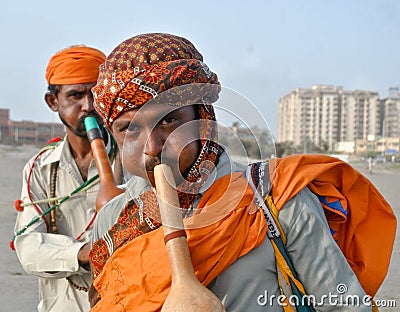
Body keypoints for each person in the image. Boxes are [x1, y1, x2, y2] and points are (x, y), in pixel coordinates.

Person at [88, 33, 395, 311]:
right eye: (129, 128)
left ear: (203, 118)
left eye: (169, 121)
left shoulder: (278, 198)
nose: (152, 146)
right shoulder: (113, 220)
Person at [12, 45, 122, 312]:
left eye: (96, 94)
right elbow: (28, 247)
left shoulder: (134, 160)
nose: (89, 106)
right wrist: (83, 254)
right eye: (76, 95)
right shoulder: (39, 168)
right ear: (53, 102)